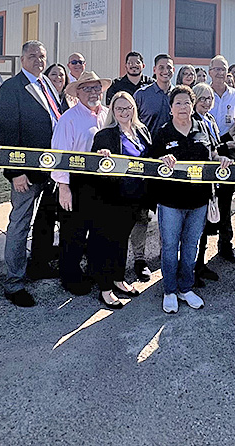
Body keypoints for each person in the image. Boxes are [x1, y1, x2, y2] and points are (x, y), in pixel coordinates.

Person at [0, 40, 67, 308]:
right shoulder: (11, 88)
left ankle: (38, 265)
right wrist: (15, 172)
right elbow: (8, 133)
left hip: (50, 169)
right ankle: (14, 283)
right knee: (19, 224)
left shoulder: (46, 84)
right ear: (22, 58)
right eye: (33, 56)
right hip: (25, 172)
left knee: (45, 222)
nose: (38, 60)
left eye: (43, 56)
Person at [149, 85, 232, 313]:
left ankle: (185, 287)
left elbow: (212, 153)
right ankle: (169, 290)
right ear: (171, 108)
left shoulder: (202, 128)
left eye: (187, 102)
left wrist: (221, 159)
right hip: (171, 202)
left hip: (199, 201)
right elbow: (151, 162)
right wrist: (161, 159)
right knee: (169, 246)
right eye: (178, 103)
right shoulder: (163, 132)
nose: (183, 107)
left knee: (191, 247)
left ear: (192, 105)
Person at [89, 92, 151, 308]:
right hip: (112, 198)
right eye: (120, 109)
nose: (125, 112)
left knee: (122, 241)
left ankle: (119, 279)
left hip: (135, 197)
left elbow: (150, 159)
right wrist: (102, 156)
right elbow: (94, 164)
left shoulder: (141, 131)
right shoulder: (105, 135)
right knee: (109, 241)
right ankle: (105, 289)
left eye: (128, 108)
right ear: (113, 111)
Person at [51, 71, 111, 296]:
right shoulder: (69, 118)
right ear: (78, 93)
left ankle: (95, 272)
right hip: (76, 181)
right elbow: (58, 155)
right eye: (87, 88)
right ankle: (70, 277)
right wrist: (63, 187)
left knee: (98, 231)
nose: (94, 92)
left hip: (102, 182)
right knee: (73, 232)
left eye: (97, 88)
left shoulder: (107, 114)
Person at [131, 54, 176, 280]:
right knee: (142, 214)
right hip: (146, 163)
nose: (165, 71)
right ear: (154, 70)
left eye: (169, 67)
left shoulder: (179, 95)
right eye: (161, 67)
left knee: (168, 213)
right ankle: (139, 259)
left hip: (171, 164)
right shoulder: (142, 95)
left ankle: (165, 255)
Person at [190, 82, 234, 284]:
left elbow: (214, 147)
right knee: (198, 227)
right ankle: (193, 267)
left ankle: (201, 264)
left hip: (214, 179)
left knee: (208, 225)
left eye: (209, 99)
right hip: (199, 179)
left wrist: (228, 145)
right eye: (202, 99)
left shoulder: (210, 119)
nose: (206, 102)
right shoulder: (192, 121)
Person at [206, 55, 235, 263]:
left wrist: (230, 141)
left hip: (229, 150)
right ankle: (200, 252)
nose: (220, 73)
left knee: (226, 200)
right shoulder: (203, 93)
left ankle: (225, 245)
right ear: (210, 71)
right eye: (216, 69)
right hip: (207, 150)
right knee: (205, 200)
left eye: (224, 69)